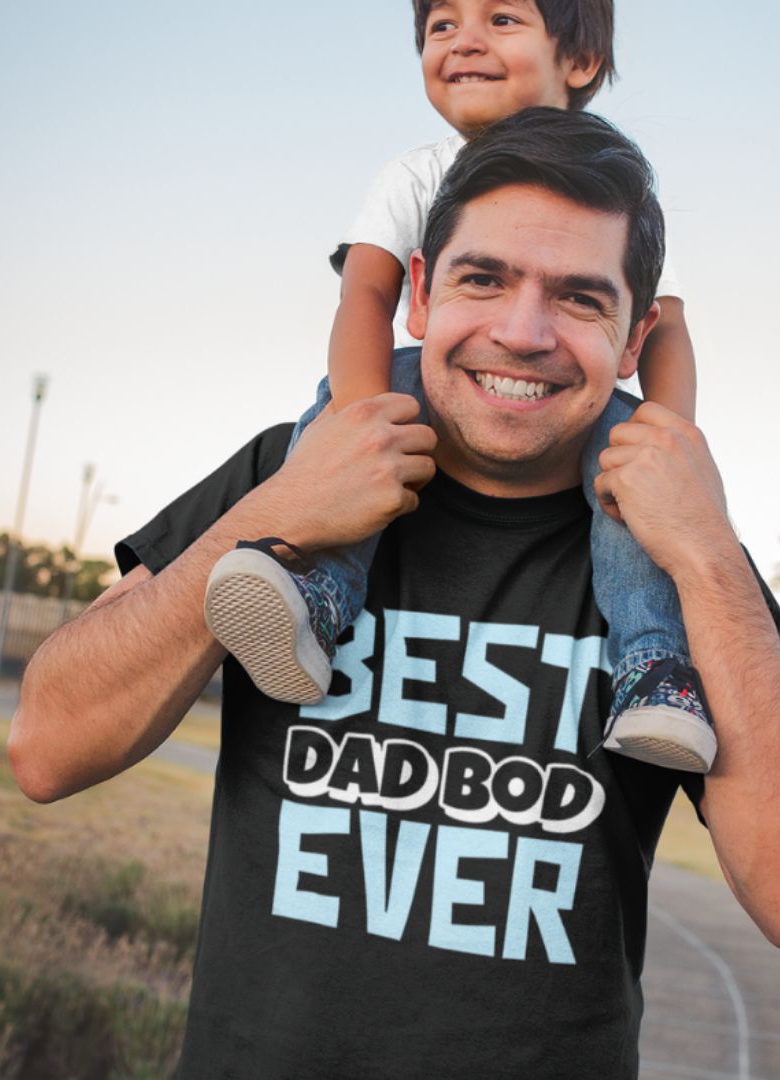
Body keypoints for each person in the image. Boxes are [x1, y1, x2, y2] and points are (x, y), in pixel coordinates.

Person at [8, 110, 780, 1080]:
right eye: (483, 278)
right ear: (417, 293)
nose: (522, 331)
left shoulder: (680, 554)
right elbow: (45, 747)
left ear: (636, 341)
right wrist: (286, 508)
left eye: (581, 299)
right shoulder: (285, 470)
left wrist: (707, 555)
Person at [203, 0, 717, 774]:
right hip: (424, 383)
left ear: (578, 62)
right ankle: (320, 593)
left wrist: (664, 450)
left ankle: (654, 667)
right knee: (334, 422)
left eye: (502, 19)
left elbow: (665, 328)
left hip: (578, 410)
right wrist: (359, 419)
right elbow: (366, 298)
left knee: (628, 484)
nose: (464, 40)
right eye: (443, 25)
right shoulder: (415, 173)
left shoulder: (614, 198)